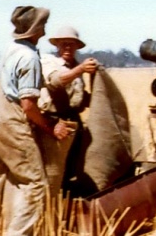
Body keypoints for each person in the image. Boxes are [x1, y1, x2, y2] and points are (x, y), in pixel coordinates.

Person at [0, 6, 71, 236]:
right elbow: (28, 106)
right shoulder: (29, 57)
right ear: (35, 29)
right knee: (36, 185)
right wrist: (50, 127)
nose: (45, 30)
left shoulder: (8, 49)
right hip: (15, 127)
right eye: (42, 25)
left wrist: (8, 104)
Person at [37, 25, 98, 194]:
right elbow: (55, 82)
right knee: (55, 168)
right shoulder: (50, 62)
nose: (67, 48)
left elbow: (79, 97)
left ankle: (68, 203)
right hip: (54, 121)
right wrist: (81, 70)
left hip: (74, 121)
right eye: (64, 44)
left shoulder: (76, 66)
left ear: (77, 47)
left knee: (73, 165)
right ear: (57, 46)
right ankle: (52, 207)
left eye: (71, 44)